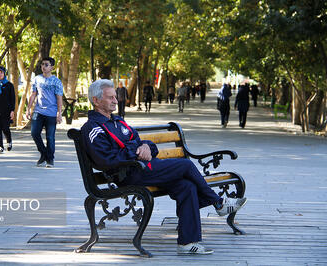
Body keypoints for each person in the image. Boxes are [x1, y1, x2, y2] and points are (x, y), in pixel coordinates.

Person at [81, 79, 247, 255]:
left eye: (115, 96)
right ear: (96, 100)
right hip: (128, 174)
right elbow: (106, 160)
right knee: (186, 165)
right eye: (110, 97)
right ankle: (218, 203)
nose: (116, 100)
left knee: (187, 186)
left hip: (146, 167)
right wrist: (136, 150)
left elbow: (145, 144)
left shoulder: (118, 122)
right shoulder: (93, 128)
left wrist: (144, 147)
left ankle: (187, 243)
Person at [26, 57, 63, 168]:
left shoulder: (56, 81)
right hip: (38, 111)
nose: (43, 66)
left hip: (51, 113)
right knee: (34, 133)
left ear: (52, 67)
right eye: (42, 64)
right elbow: (33, 94)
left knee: (50, 137)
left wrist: (59, 113)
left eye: (46, 64)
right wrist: (28, 109)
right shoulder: (37, 79)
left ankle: (50, 159)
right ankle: (44, 153)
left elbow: (59, 97)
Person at [0, 66, 15, 154]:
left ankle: (9, 142)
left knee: (5, 128)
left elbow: (13, 99)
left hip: (7, 110)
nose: (0, 74)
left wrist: (12, 110)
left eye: (1, 73)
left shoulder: (9, 85)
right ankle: (0, 146)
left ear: (4, 74)